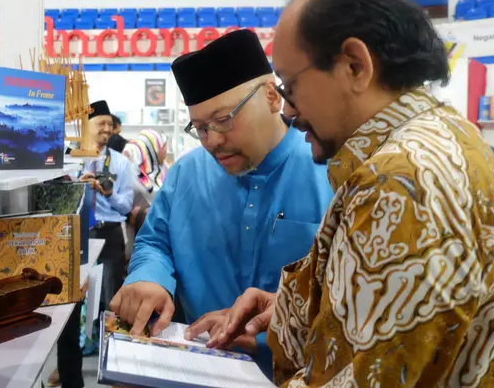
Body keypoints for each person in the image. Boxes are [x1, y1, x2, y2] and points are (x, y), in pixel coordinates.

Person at [212, 0, 494, 387]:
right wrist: (298, 305)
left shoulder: (403, 180)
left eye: (290, 86)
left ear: (355, 65)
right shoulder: (445, 135)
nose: (287, 110)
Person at [109, 29, 335, 377]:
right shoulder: (187, 173)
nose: (212, 141)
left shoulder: (328, 172)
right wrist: (149, 277)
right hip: (198, 367)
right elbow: (156, 241)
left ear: (272, 97)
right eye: (199, 127)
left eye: (224, 119)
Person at [51, 100, 134, 388]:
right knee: (72, 305)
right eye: (102, 123)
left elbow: (126, 206)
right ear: (86, 124)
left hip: (110, 233)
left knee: (112, 303)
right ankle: (68, 374)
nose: (108, 129)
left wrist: (107, 192)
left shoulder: (121, 163)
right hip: (77, 234)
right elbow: (55, 199)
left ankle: (115, 370)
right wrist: (78, 186)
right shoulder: (69, 158)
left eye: (111, 124)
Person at [122, 129, 170, 256]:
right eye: (164, 146)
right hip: (135, 232)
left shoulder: (164, 168)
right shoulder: (131, 170)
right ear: (153, 148)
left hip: (161, 232)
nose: (166, 151)